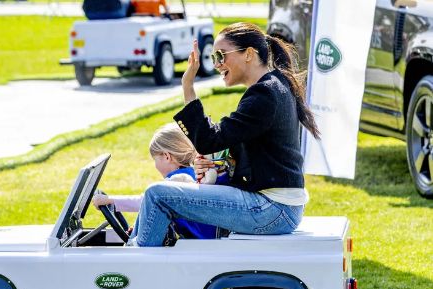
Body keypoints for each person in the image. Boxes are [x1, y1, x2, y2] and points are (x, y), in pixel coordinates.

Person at [130, 22, 321, 247]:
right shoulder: (274, 85)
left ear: (249, 54)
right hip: (277, 207)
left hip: (271, 209)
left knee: (157, 194)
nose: (217, 64)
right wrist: (218, 164)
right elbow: (250, 148)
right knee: (160, 194)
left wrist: (188, 86)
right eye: (214, 58)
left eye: (221, 55)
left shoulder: (264, 95)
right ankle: (135, 248)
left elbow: (208, 140)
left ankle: (137, 265)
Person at [93, 123, 217, 240]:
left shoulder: (179, 180)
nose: (155, 165)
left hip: (195, 242)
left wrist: (110, 200)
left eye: (155, 159)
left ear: (167, 157)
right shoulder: (192, 174)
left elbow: (146, 203)